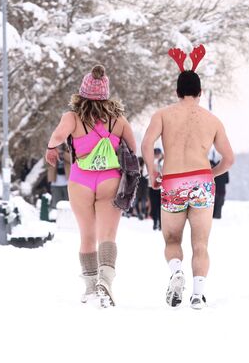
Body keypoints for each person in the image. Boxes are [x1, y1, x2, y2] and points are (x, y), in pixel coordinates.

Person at [142, 45, 234, 309]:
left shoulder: (162, 115)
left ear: (177, 92)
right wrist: (211, 175)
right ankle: (197, 294)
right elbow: (229, 159)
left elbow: (147, 145)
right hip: (202, 183)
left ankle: (176, 271)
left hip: (173, 182)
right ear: (200, 92)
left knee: (172, 240)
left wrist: (153, 172)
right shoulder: (212, 120)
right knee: (201, 243)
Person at [45, 65, 137, 307]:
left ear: (82, 92)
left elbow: (56, 137)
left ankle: (89, 287)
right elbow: (133, 149)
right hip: (110, 178)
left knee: (87, 235)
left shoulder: (72, 118)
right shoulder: (118, 120)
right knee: (108, 235)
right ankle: (105, 280)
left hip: (81, 179)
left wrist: (52, 149)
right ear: (106, 94)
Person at [46, 144, 71, 209]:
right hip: (55, 182)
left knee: (69, 203)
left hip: (67, 182)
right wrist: (54, 154)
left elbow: (72, 160)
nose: (59, 146)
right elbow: (46, 162)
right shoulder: (50, 151)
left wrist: (63, 153)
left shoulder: (68, 149)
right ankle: (56, 217)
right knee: (56, 204)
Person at [147, 148, 163, 230]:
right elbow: (145, 174)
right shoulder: (150, 163)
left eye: (158, 154)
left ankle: (160, 224)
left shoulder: (163, 163)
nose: (157, 156)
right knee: (154, 206)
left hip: (161, 188)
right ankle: (155, 222)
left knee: (161, 207)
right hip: (152, 186)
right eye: (155, 154)